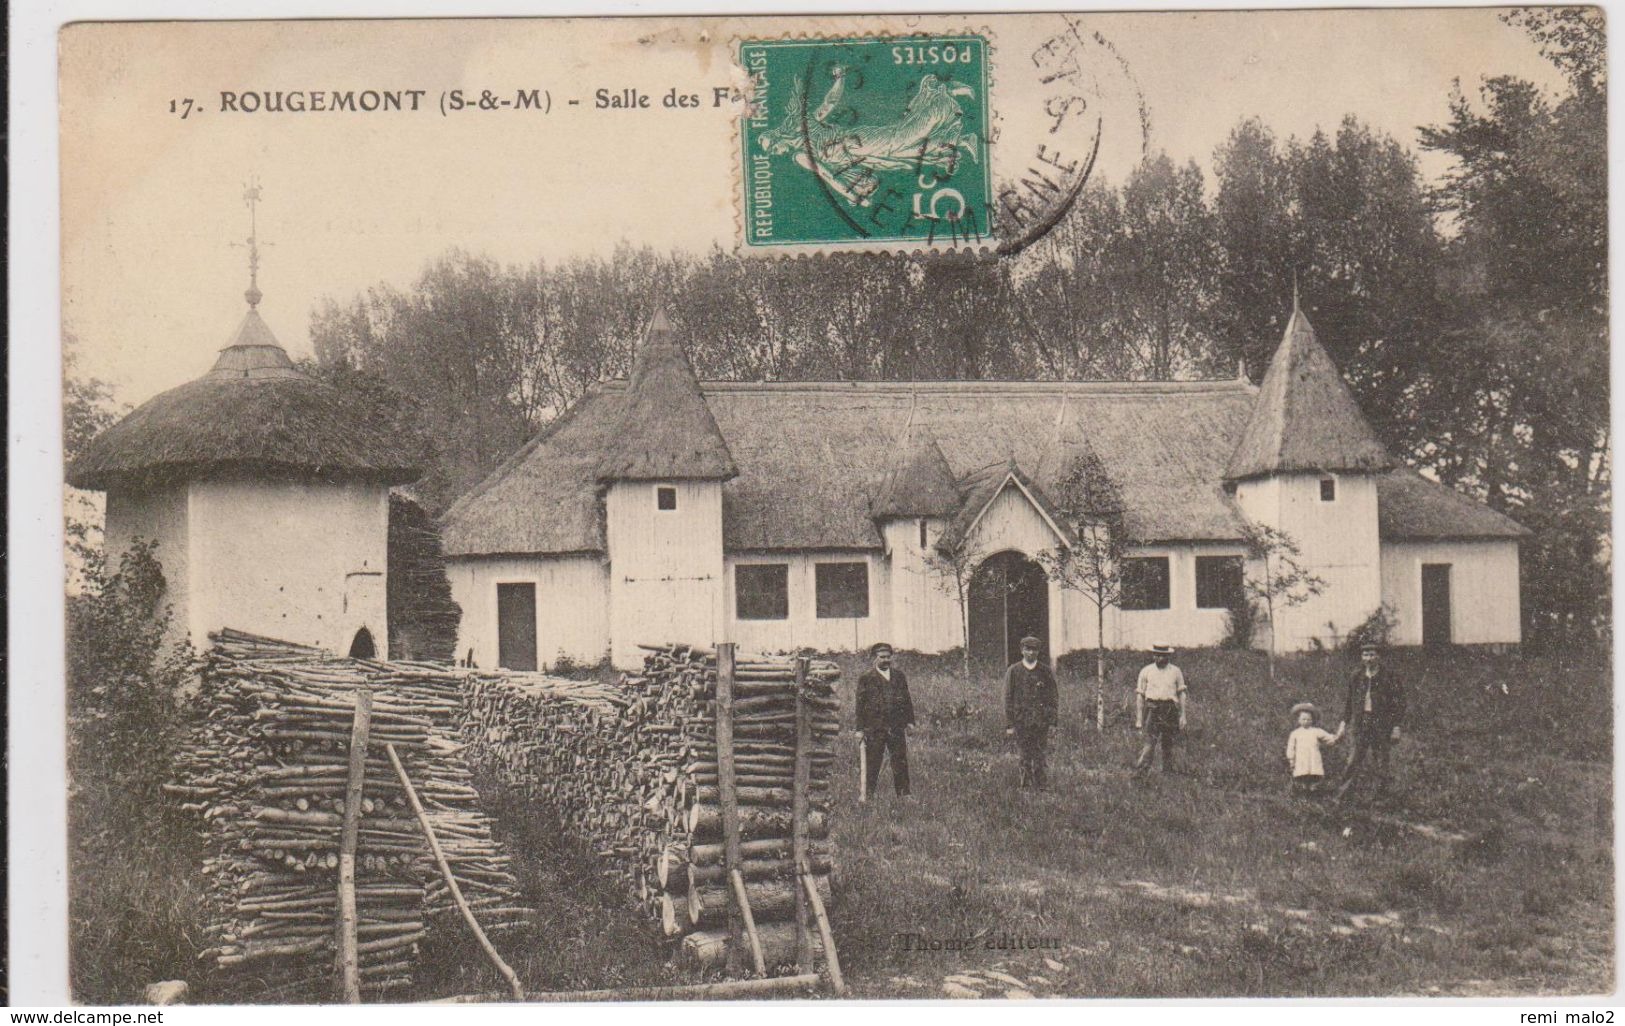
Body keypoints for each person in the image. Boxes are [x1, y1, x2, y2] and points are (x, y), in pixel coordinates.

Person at [1334, 643, 1406, 802]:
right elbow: (1349, 703)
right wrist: (1343, 725)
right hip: (1360, 724)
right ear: (1361, 657)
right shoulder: (1356, 676)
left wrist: (1396, 726)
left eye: (1372, 655)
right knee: (1353, 760)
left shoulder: (1389, 676)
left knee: (1381, 760)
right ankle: (1343, 796)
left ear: (1378, 656)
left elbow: (1399, 703)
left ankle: (1381, 798)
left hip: (1381, 724)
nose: (1368, 658)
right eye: (1365, 655)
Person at [855, 642, 915, 800]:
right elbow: (860, 705)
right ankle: (867, 795)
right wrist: (859, 729)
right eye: (882, 657)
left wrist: (910, 722)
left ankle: (904, 795)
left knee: (900, 761)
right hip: (875, 728)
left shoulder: (899, 676)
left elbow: (907, 700)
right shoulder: (866, 678)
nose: (886, 660)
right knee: (873, 762)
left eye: (888, 657)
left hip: (896, 727)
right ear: (874, 658)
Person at [1004, 636, 1058, 789]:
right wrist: (1010, 724)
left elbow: (1053, 697)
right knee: (1024, 755)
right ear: (1022, 651)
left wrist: (1053, 721)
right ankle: (1025, 786)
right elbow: (1008, 698)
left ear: (1038, 652)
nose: (1031, 653)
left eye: (1034, 649)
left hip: (1041, 721)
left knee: (1040, 755)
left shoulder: (1045, 671)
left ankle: (1041, 786)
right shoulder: (1013, 671)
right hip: (1021, 721)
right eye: (1027, 649)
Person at [1134, 644, 1187, 774]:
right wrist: (1139, 719)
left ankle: (1168, 772)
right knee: (1150, 743)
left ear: (1168, 655)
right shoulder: (1146, 671)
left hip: (1170, 710)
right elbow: (1140, 696)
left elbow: (1181, 693)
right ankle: (1141, 773)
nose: (1158, 657)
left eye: (1162, 655)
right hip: (1152, 709)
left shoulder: (1176, 671)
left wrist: (1183, 715)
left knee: (1168, 744)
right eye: (1156, 654)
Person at [1285, 701, 1341, 797]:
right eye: (1303, 719)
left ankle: (1313, 791)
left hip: (1313, 757)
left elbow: (1327, 738)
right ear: (1299, 720)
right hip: (1301, 759)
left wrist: (1336, 737)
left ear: (1312, 720)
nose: (1306, 721)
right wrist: (1291, 759)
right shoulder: (1295, 733)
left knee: (1314, 774)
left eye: (1308, 719)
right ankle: (1303, 792)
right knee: (1302, 775)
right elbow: (1291, 747)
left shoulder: (1316, 731)